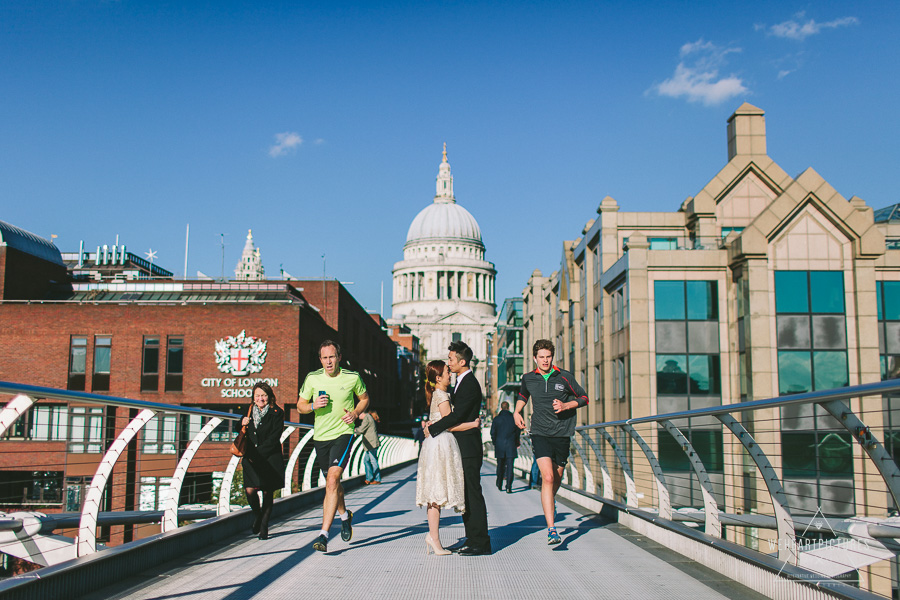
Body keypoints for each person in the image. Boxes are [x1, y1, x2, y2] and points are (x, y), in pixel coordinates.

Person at [514, 339, 589, 545]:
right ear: (534, 358)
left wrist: (566, 405)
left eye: (548, 357)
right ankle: (552, 529)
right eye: (541, 357)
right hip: (540, 432)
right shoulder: (528, 378)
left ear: (552, 358)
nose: (545, 361)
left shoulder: (564, 377)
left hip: (562, 433)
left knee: (556, 478)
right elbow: (523, 395)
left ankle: (550, 499)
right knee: (547, 478)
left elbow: (584, 398)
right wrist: (517, 411)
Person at [298, 340, 369, 553]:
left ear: (338, 357)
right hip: (321, 436)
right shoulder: (312, 378)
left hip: (343, 434)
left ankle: (324, 534)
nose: (328, 362)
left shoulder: (352, 377)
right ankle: (345, 516)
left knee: (331, 480)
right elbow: (300, 406)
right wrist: (312, 405)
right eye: (324, 358)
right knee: (334, 484)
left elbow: (364, 398)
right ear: (320, 360)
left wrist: (355, 414)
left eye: (332, 357)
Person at [425, 340, 491, 555]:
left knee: (472, 494)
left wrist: (434, 428)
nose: (449, 362)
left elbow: (457, 415)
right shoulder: (461, 383)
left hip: (469, 448)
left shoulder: (470, 383)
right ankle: (473, 539)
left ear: (462, 362)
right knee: (466, 495)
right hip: (462, 446)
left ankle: (480, 542)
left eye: (452, 359)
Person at [416, 360, 481, 555]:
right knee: (436, 492)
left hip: (436, 445)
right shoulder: (442, 395)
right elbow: (449, 424)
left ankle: (433, 537)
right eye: (446, 372)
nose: (449, 374)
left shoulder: (439, 394)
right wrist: (473, 424)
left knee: (435, 492)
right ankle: (434, 539)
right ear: (438, 378)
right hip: (440, 446)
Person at [241, 381, 285, 540]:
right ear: (253, 398)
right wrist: (243, 423)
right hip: (251, 458)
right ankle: (258, 516)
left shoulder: (277, 412)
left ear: (269, 396)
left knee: (267, 492)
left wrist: (259, 453)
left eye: (264, 395)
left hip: (269, 458)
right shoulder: (248, 412)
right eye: (257, 395)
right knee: (250, 490)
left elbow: (275, 437)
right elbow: (245, 434)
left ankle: (264, 526)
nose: (261, 399)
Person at [490, 401, 519, 493]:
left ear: (501, 408)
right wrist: (516, 442)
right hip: (511, 445)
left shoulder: (496, 419)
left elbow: (493, 433)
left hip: (500, 446)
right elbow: (517, 432)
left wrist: (495, 442)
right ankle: (509, 486)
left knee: (500, 466)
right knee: (510, 466)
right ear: (509, 408)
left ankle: (499, 483)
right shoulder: (513, 419)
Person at [356, 409, 382, 484]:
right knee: (366, 461)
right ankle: (369, 478)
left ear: (362, 413)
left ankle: (377, 479)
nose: (357, 416)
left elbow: (361, 429)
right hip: (370, 444)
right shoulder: (368, 417)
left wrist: (352, 430)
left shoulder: (367, 418)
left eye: (358, 414)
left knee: (373, 461)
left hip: (371, 443)